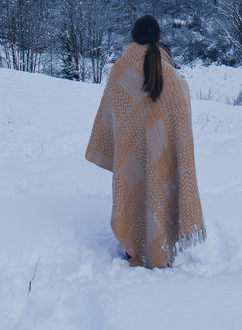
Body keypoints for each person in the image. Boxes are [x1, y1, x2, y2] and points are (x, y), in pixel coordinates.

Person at [85, 14, 205, 268]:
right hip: (159, 158)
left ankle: (131, 249)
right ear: (158, 38)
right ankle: (161, 246)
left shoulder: (120, 70)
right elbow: (180, 111)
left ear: (133, 36)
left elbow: (111, 112)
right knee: (159, 191)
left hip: (131, 155)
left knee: (132, 191)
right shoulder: (172, 77)